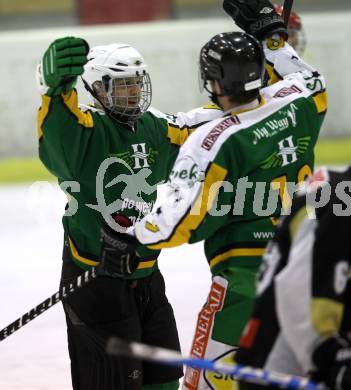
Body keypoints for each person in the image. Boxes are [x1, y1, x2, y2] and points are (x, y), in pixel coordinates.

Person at [99, 1, 328, 388]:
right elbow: (306, 78)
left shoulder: (212, 143)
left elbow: (183, 221)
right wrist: (270, 34)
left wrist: (132, 238)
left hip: (245, 284)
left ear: (213, 81)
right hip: (307, 271)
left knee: (205, 384)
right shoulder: (302, 100)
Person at [36, 37, 224, 390]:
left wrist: (254, 96)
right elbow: (57, 131)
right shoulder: (85, 134)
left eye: (137, 81)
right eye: (122, 84)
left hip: (147, 280)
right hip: (95, 283)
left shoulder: (153, 127)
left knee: (166, 382)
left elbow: (201, 126)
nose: (134, 91)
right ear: (97, 88)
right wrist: (55, 89)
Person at [234, 136, 351, 390]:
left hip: (314, 360)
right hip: (281, 363)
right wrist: (331, 357)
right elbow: (298, 290)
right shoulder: (343, 199)